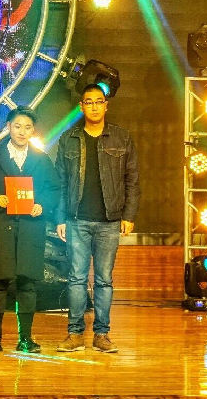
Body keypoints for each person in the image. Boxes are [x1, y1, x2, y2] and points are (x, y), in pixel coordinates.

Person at [55, 83, 140, 353]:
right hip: (76, 220)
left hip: (109, 221)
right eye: (88, 102)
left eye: (98, 101)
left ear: (106, 105)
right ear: (81, 107)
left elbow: (132, 180)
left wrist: (128, 215)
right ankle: (75, 334)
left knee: (104, 280)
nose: (94, 106)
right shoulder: (68, 138)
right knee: (76, 279)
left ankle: (102, 335)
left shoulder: (121, 138)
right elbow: (60, 181)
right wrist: (60, 217)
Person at [0, 106, 60, 353]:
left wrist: (42, 205)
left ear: (33, 131)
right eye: (18, 126)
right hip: (0, 227)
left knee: (27, 285)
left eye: (28, 127)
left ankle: (26, 339)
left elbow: (54, 189)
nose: (22, 131)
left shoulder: (41, 159)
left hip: (30, 229)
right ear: (8, 127)